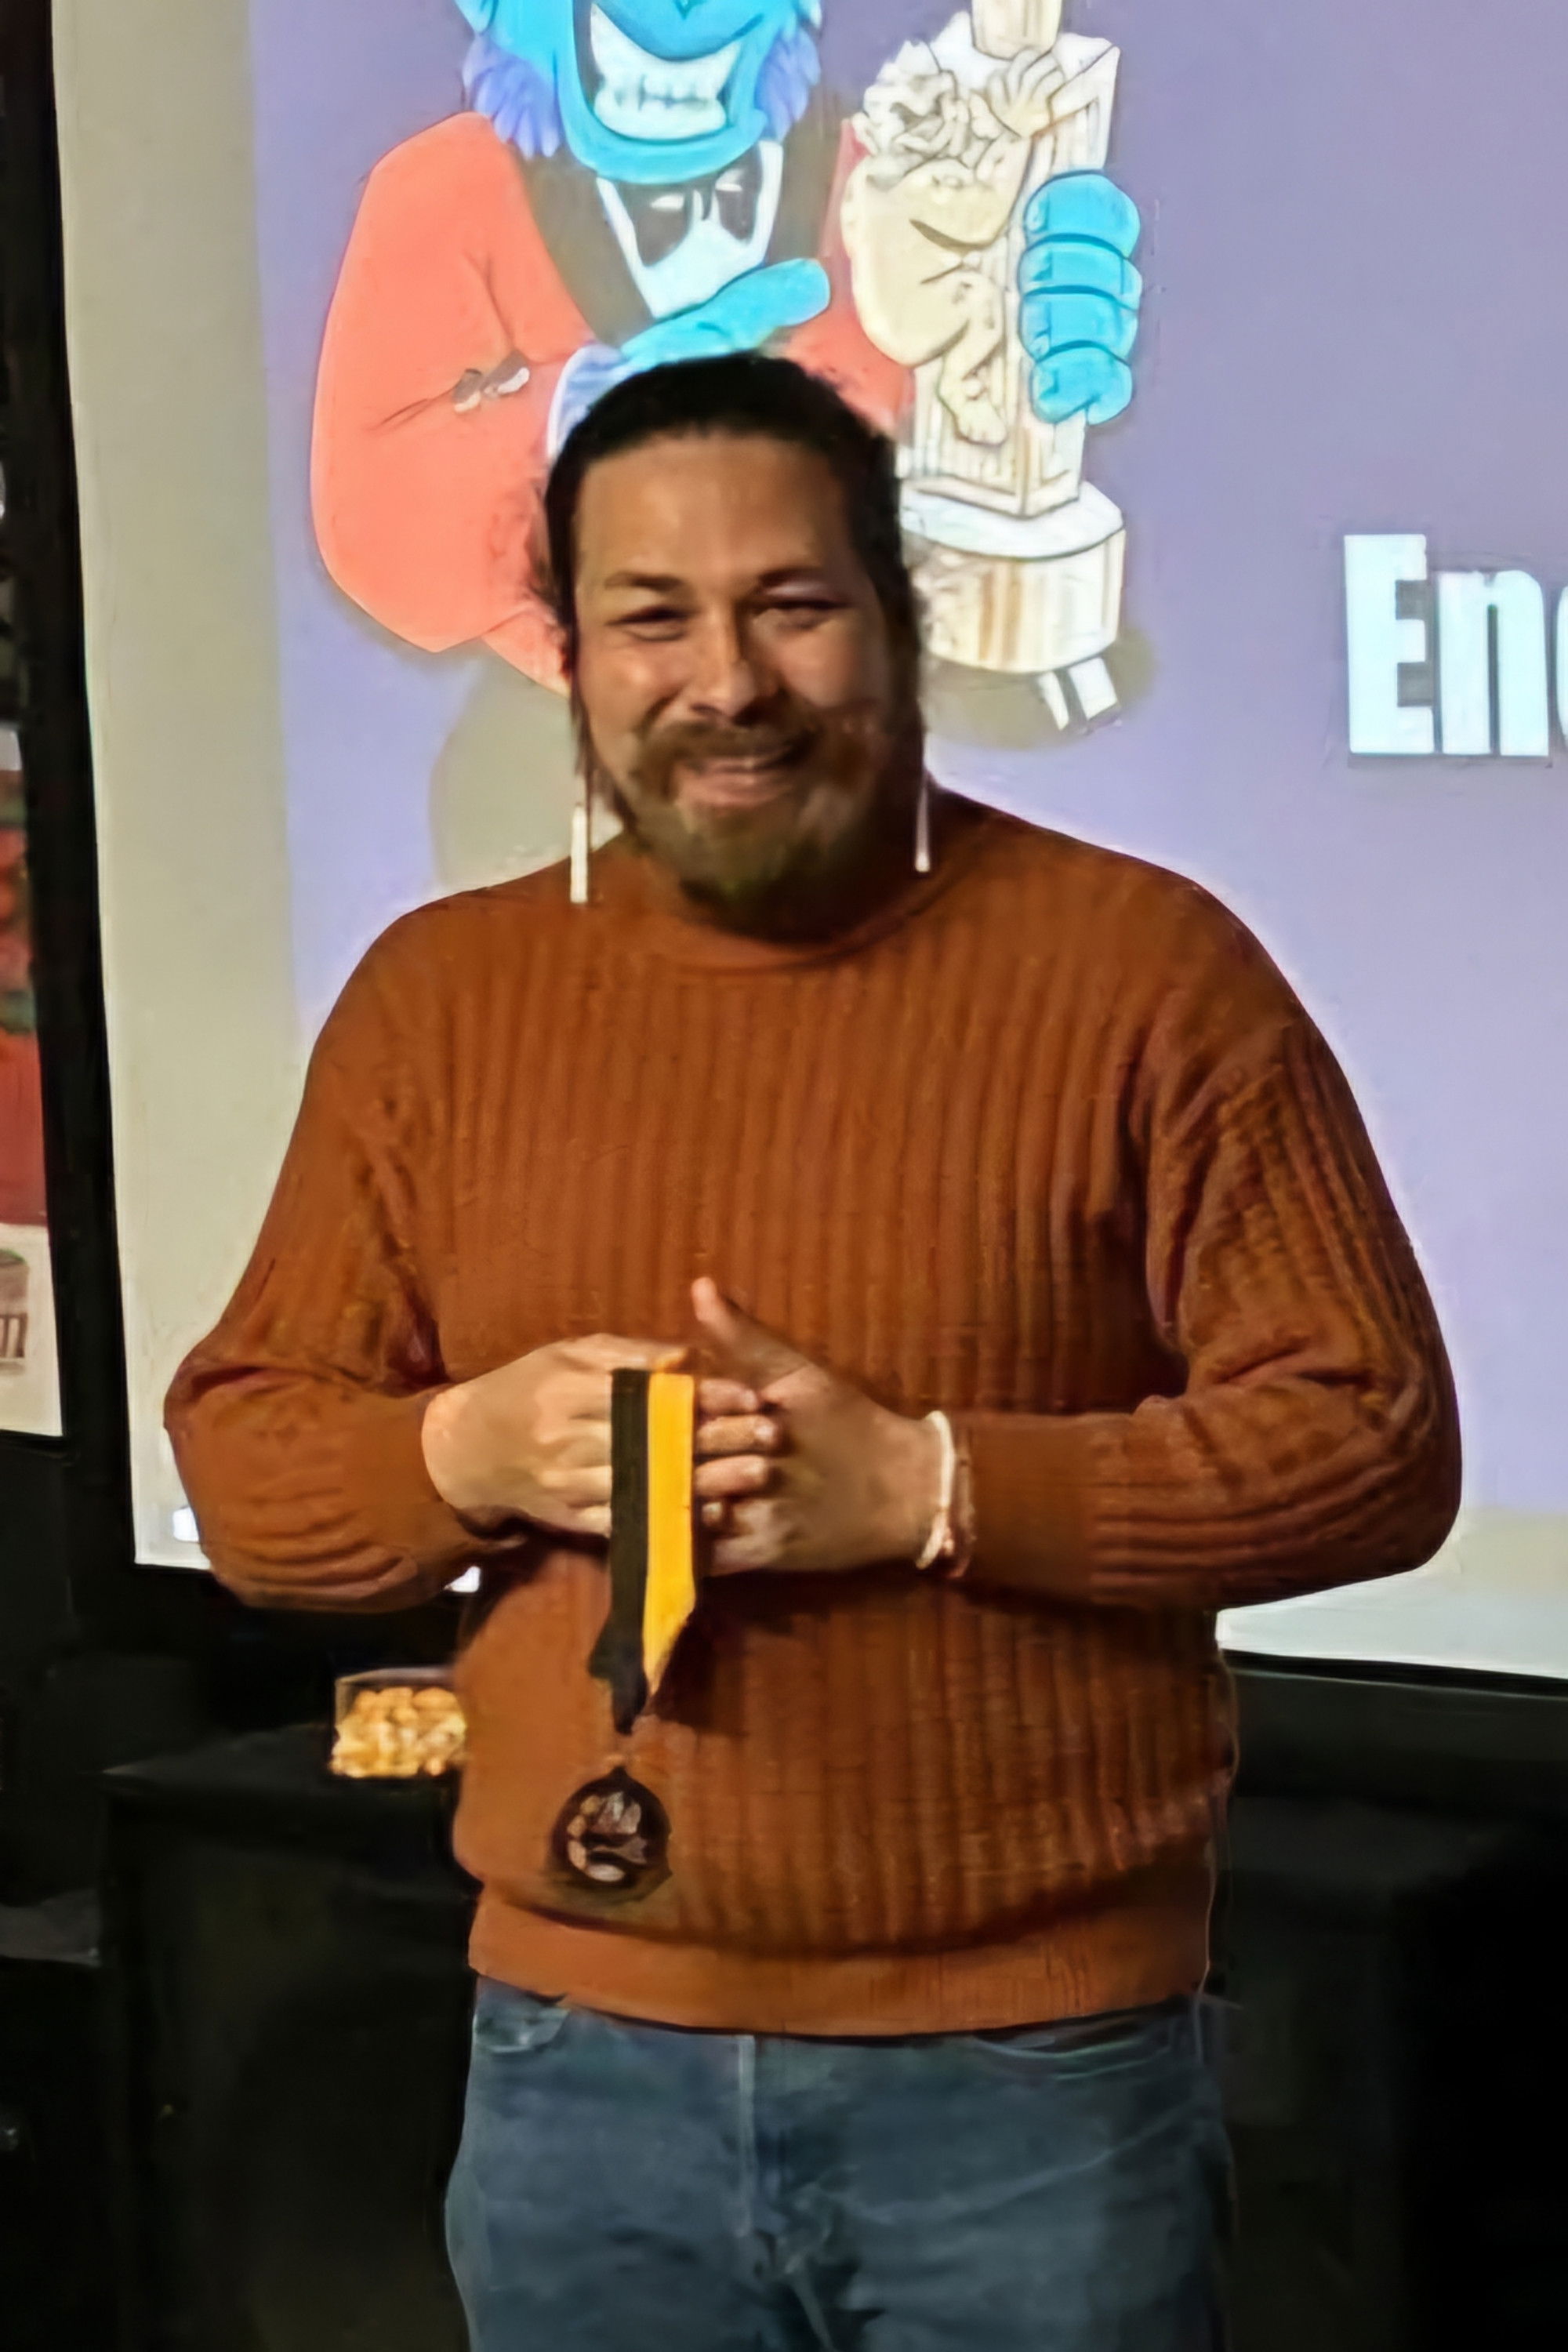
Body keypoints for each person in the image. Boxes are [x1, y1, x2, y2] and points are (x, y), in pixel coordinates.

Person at [167, 354, 1461, 2351]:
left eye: (790, 605)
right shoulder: (438, 1001)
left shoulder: (1146, 975)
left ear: (899, 617)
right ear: (570, 655)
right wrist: (460, 1456)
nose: (727, 683)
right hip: (574, 2073)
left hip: (1034, 2090)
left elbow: (1369, 1438)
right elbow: (250, 1462)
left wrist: (932, 1490)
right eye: (651, 619)